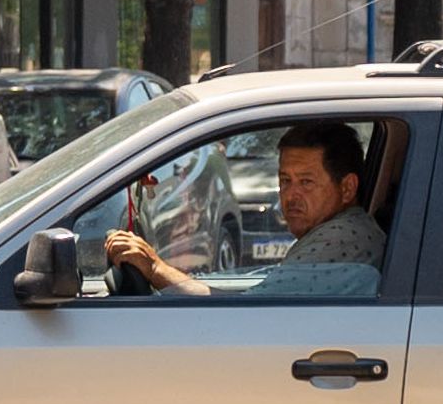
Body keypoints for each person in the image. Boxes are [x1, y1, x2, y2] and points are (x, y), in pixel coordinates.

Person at [105, 120, 386, 300]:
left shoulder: (340, 240)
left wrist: (155, 268)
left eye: (306, 182)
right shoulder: (344, 232)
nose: (290, 195)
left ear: (347, 188)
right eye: (285, 180)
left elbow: (244, 312)